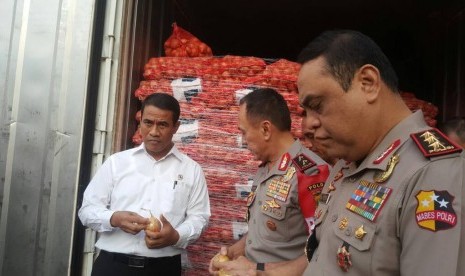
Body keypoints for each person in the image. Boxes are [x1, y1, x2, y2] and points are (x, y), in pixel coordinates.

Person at [78, 92, 211, 276]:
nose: (154, 132)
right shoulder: (117, 163)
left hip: (163, 269)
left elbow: (200, 218)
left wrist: (176, 236)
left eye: (163, 124)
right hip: (112, 266)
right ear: (140, 122)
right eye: (148, 123)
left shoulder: (191, 170)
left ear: (176, 127)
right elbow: (86, 210)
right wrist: (114, 218)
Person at [209, 88, 330, 275]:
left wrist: (257, 270)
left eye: (244, 132)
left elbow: (322, 251)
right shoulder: (265, 168)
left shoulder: (309, 173)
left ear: (266, 129)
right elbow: (266, 232)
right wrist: (234, 251)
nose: (242, 141)